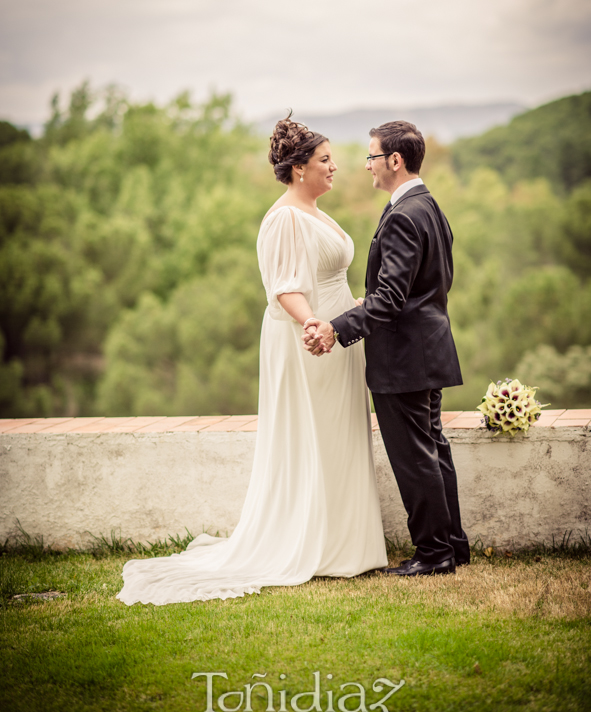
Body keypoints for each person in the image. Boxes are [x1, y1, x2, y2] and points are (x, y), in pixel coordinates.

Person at [116, 117, 387, 606]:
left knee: (337, 436)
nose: (335, 168)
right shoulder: (283, 217)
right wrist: (313, 327)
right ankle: (314, 547)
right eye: (325, 160)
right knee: (312, 436)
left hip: (337, 339)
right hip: (307, 343)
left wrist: (338, 329)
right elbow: (284, 287)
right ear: (299, 168)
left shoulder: (316, 212)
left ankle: (345, 546)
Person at [303, 120, 470, 577]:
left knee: (415, 456)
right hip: (429, 345)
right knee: (434, 447)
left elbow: (392, 299)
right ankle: (453, 545)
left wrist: (338, 328)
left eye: (372, 157)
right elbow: (424, 286)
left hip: (403, 356)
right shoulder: (428, 205)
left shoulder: (402, 215)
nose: (368, 166)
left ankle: (435, 555)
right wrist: (374, 302)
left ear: (395, 160)